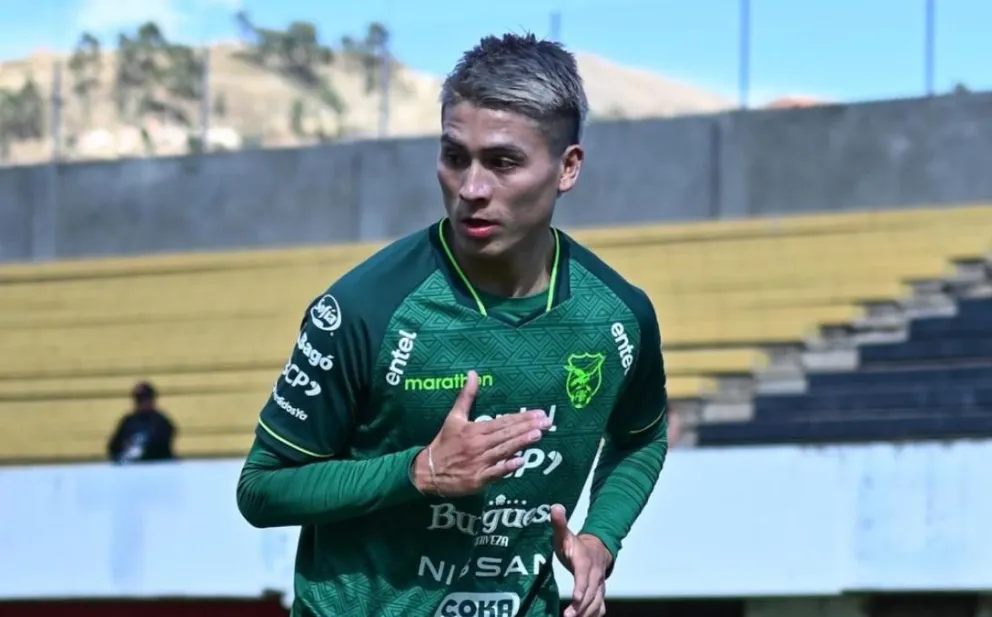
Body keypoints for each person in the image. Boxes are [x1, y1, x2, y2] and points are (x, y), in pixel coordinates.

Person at [236, 32, 669, 617]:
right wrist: (419, 471)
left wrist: (601, 538)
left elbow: (641, 438)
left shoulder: (619, 316)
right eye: (454, 156)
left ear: (567, 168)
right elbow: (261, 489)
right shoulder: (365, 308)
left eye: (502, 162)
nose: (471, 188)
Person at [107, 381, 176, 463]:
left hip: (155, 466)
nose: (142, 403)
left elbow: (163, 447)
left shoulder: (161, 422)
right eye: (139, 400)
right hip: (131, 466)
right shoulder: (128, 421)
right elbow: (114, 447)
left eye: (145, 399)